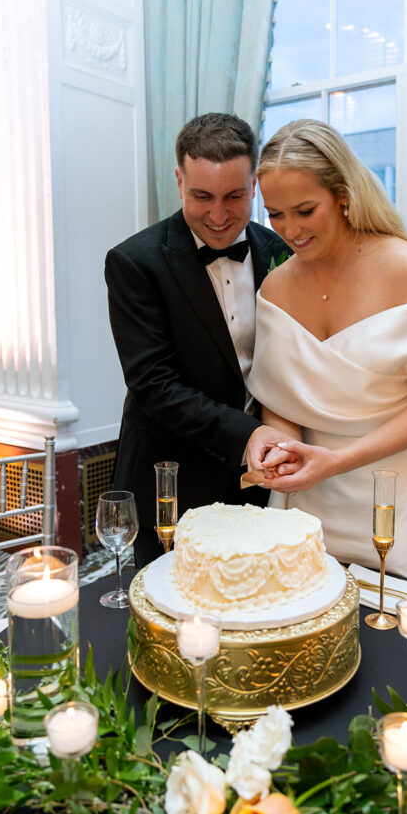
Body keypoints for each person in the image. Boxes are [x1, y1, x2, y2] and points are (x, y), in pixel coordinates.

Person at [246, 119, 407, 580]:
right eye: (275, 214)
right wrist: (280, 445)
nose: (290, 229)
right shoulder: (274, 288)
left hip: (397, 494)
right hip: (305, 495)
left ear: (343, 194)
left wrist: (335, 462)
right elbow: (280, 400)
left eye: (305, 210)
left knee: (394, 630)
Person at [105, 112, 289, 568]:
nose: (219, 215)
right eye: (201, 196)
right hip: (171, 481)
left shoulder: (280, 252)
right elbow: (154, 385)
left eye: (235, 196)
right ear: (179, 180)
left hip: (261, 477)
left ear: (254, 187)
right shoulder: (134, 262)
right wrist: (248, 434)